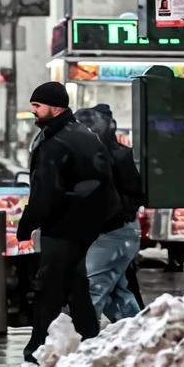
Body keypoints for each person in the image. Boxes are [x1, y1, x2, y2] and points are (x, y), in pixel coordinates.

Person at [8, 82, 120, 367]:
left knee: (48, 290)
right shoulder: (83, 135)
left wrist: (26, 225)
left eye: (37, 106)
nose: (33, 110)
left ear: (55, 107)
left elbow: (47, 191)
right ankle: (90, 342)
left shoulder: (55, 143)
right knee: (76, 289)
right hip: (84, 224)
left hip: (62, 226)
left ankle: (34, 355)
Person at [75, 104, 144, 322]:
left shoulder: (110, 157)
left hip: (113, 232)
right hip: (113, 232)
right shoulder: (103, 155)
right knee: (118, 295)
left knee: (91, 291)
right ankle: (139, 335)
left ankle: (79, 345)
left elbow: (135, 193)